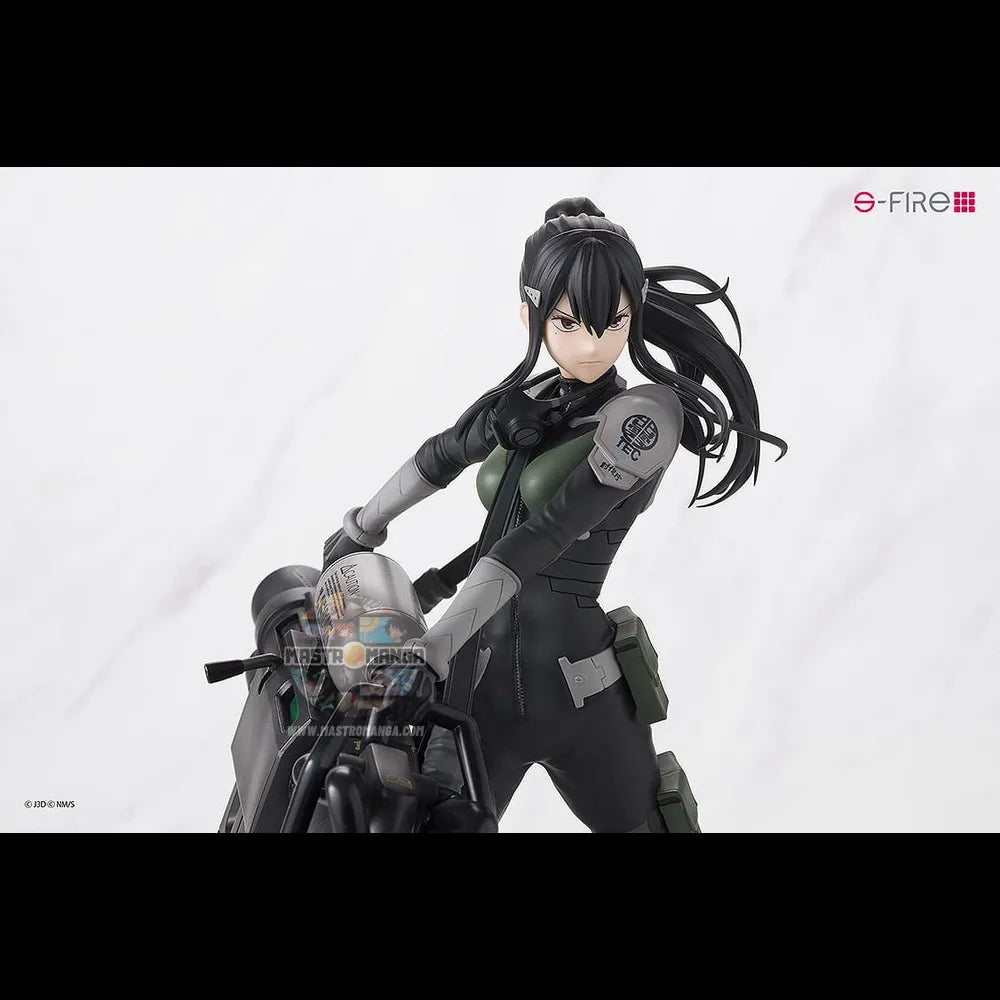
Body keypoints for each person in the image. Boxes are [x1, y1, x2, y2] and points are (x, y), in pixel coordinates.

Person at [322, 197, 787, 832]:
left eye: (612, 321)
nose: (592, 343)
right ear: (530, 314)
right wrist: (361, 529)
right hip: (477, 685)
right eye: (568, 322)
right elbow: (444, 455)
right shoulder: (532, 399)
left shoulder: (645, 418)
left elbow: (545, 535)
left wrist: (432, 650)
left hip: (574, 689)